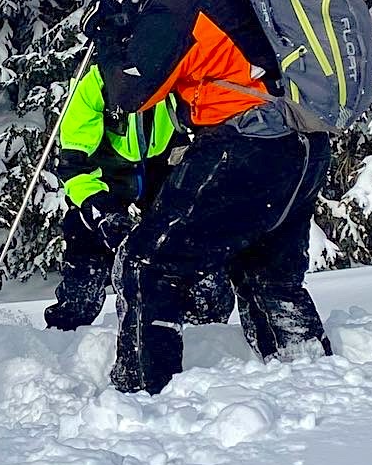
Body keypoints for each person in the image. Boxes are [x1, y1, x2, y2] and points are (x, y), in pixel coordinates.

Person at [85, 0, 334, 395]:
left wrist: (110, 35)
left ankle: (143, 402)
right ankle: (316, 390)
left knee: (147, 264)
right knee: (270, 278)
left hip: (242, 149)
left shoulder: (172, 7)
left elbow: (128, 95)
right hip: (304, 142)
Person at [45, 61, 232, 331]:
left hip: (161, 164)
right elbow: (74, 165)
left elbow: (206, 122)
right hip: (106, 172)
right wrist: (98, 208)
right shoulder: (95, 82)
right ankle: (66, 328)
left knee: (189, 237)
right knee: (86, 248)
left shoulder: (174, 68)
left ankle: (209, 330)